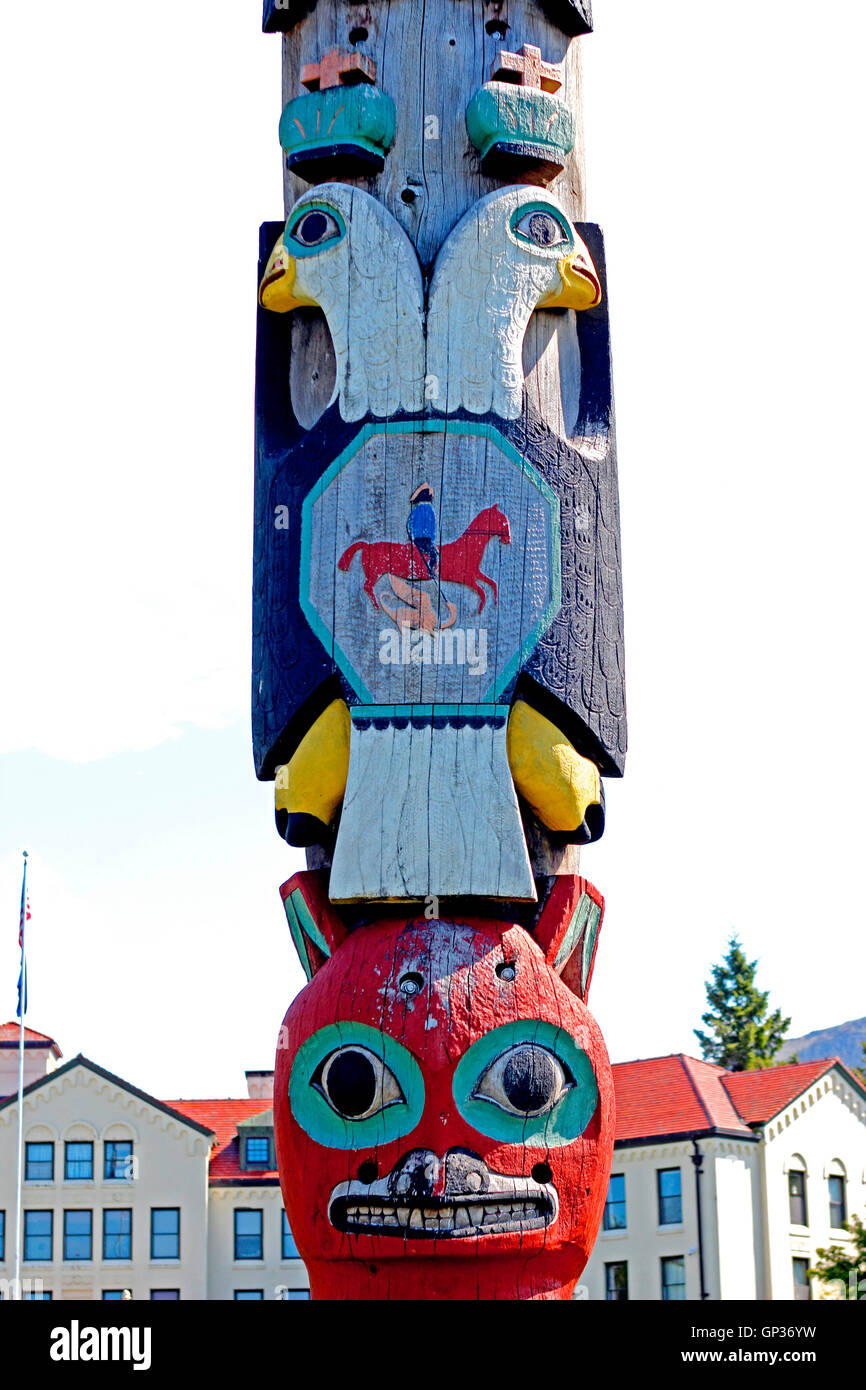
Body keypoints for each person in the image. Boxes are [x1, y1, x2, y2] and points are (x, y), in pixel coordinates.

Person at [407, 482, 438, 577]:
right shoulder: (429, 509)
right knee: (434, 555)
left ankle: (426, 570)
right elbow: (433, 526)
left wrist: (412, 535)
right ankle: (430, 570)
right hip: (426, 539)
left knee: (423, 554)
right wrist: (432, 539)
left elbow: (410, 523)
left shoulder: (416, 509)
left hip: (417, 538)